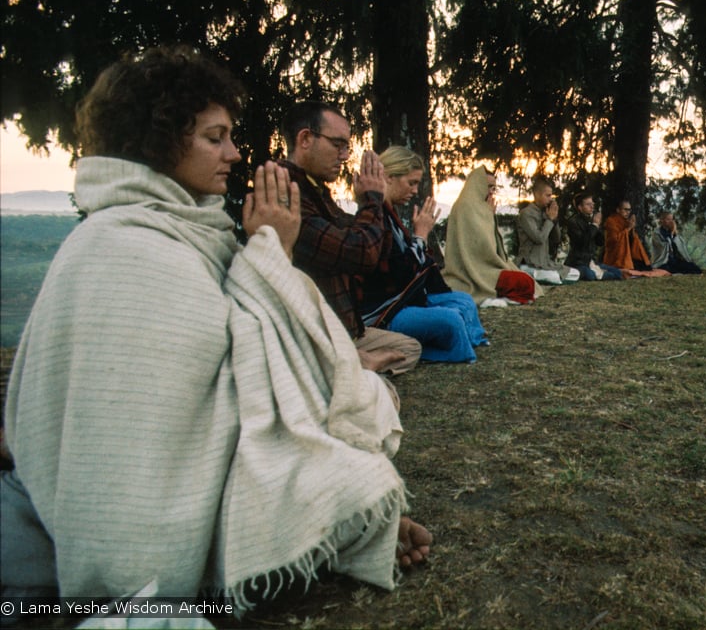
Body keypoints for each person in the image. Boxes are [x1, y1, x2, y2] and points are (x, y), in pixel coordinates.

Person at [0, 47, 430, 616]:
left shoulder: (188, 231)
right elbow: (229, 398)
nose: (232, 152)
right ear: (158, 141)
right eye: (214, 137)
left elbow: (249, 368)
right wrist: (272, 252)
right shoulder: (122, 246)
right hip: (124, 519)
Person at [279, 101, 421, 374]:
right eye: (337, 144)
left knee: (410, 349)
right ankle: (348, 368)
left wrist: (375, 204)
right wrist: (372, 200)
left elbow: (379, 247)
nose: (344, 156)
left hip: (347, 329)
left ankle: (352, 364)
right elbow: (362, 254)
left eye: (347, 147)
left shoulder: (317, 192)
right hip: (315, 334)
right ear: (306, 139)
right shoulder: (287, 192)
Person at [357, 145, 489, 362]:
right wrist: (420, 236)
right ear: (388, 178)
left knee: (464, 301)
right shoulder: (373, 218)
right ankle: (448, 351)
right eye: (411, 183)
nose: (416, 191)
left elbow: (416, 266)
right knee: (451, 320)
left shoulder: (390, 215)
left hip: (405, 302)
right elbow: (401, 273)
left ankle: (467, 339)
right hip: (386, 311)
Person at [442, 166, 541, 306]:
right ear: (477, 185)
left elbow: (491, 243)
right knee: (523, 283)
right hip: (475, 271)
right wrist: (488, 216)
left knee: (526, 281)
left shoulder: (480, 207)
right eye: (488, 186)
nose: (490, 191)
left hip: (487, 269)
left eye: (493, 188)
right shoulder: (466, 205)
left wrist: (490, 216)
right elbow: (482, 247)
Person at [515, 180, 580, 285]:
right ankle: (528, 273)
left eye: (551, 196)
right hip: (529, 262)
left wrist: (554, 220)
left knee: (575, 273)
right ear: (537, 195)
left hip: (545, 263)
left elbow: (556, 239)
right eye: (548, 196)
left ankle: (548, 277)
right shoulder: (526, 214)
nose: (550, 199)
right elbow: (539, 238)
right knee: (553, 277)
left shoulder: (546, 212)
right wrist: (549, 219)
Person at [602, 200, 670, 277]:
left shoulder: (626, 221)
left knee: (645, 267)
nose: (628, 212)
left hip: (628, 254)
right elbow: (614, 240)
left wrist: (631, 229)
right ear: (618, 210)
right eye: (625, 209)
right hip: (616, 256)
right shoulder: (611, 221)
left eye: (629, 210)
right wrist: (629, 228)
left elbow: (633, 241)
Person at [564, 192, 622, 281]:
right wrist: (594, 225)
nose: (592, 207)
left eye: (592, 204)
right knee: (590, 276)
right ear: (580, 207)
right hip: (578, 262)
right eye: (588, 204)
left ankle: (601, 273)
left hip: (591, 261)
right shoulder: (573, 222)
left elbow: (600, 242)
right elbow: (582, 242)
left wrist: (597, 226)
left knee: (618, 273)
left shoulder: (591, 220)